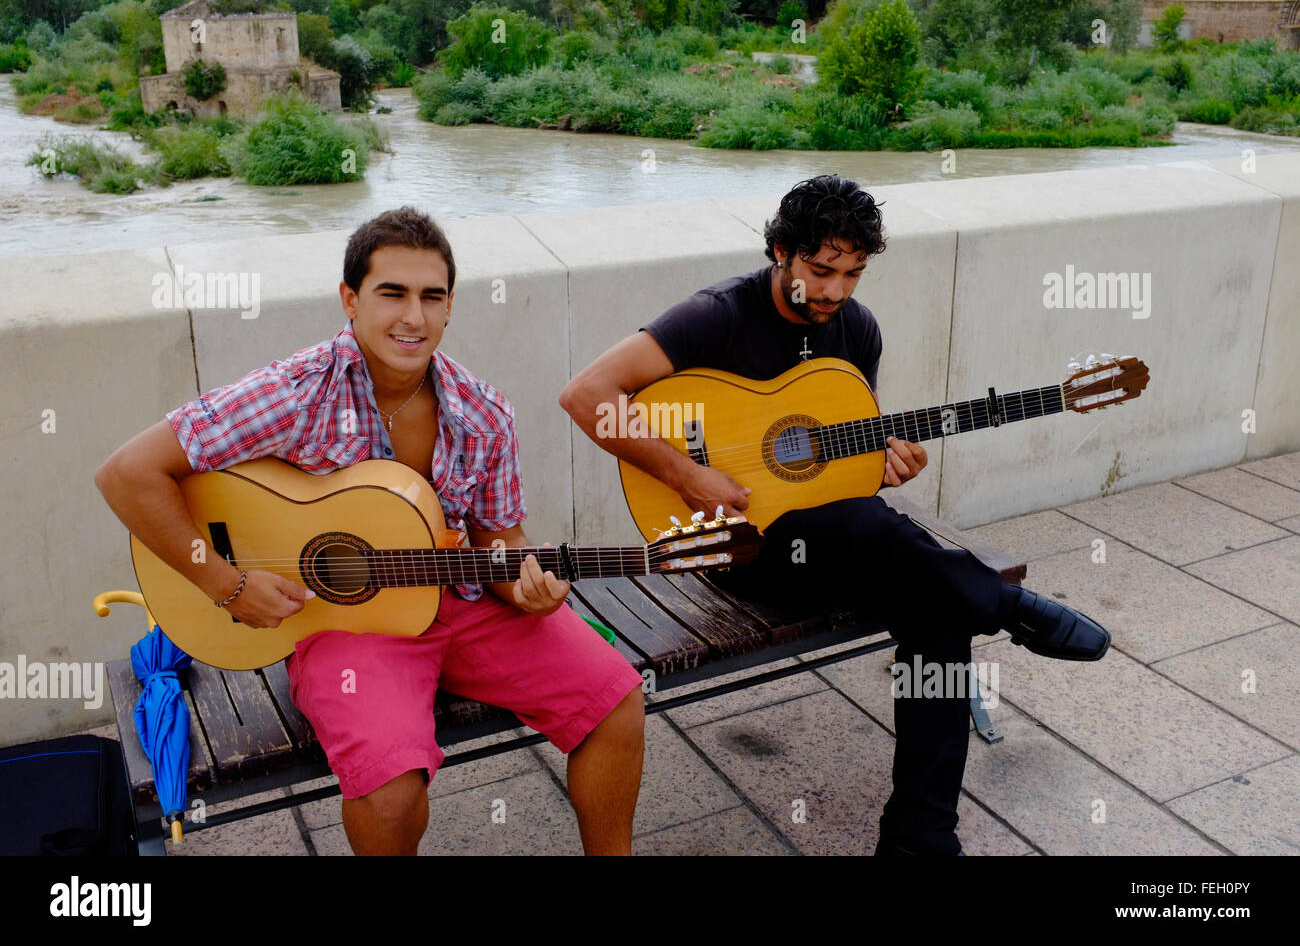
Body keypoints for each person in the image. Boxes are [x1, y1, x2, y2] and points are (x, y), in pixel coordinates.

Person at [559, 175, 1110, 856]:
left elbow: (845, 447)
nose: (835, 291)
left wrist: (884, 460)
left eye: (852, 273)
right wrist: (688, 473)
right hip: (737, 546)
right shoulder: (716, 316)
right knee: (887, 537)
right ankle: (1007, 602)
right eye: (821, 270)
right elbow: (586, 395)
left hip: (842, 541)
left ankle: (919, 838)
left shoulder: (855, 329)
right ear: (780, 252)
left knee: (934, 604)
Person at [95, 206, 645, 856]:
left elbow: (501, 539)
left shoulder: (484, 411)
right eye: (393, 293)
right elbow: (127, 473)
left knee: (617, 704)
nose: (413, 316)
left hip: (459, 603)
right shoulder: (296, 393)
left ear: (448, 310)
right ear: (350, 300)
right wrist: (227, 582)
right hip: (341, 623)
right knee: (389, 793)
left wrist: (526, 585)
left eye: (431, 297)